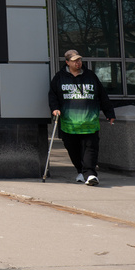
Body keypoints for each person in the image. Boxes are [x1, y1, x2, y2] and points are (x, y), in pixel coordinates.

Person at [49, 49, 115, 186]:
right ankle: (81, 171)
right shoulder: (59, 78)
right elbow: (53, 95)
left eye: (79, 60)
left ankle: (90, 174)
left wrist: (109, 113)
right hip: (69, 122)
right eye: (74, 61)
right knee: (72, 148)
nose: (78, 63)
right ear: (67, 62)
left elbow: (101, 94)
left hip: (89, 120)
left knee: (90, 148)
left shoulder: (90, 76)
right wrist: (55, 109)